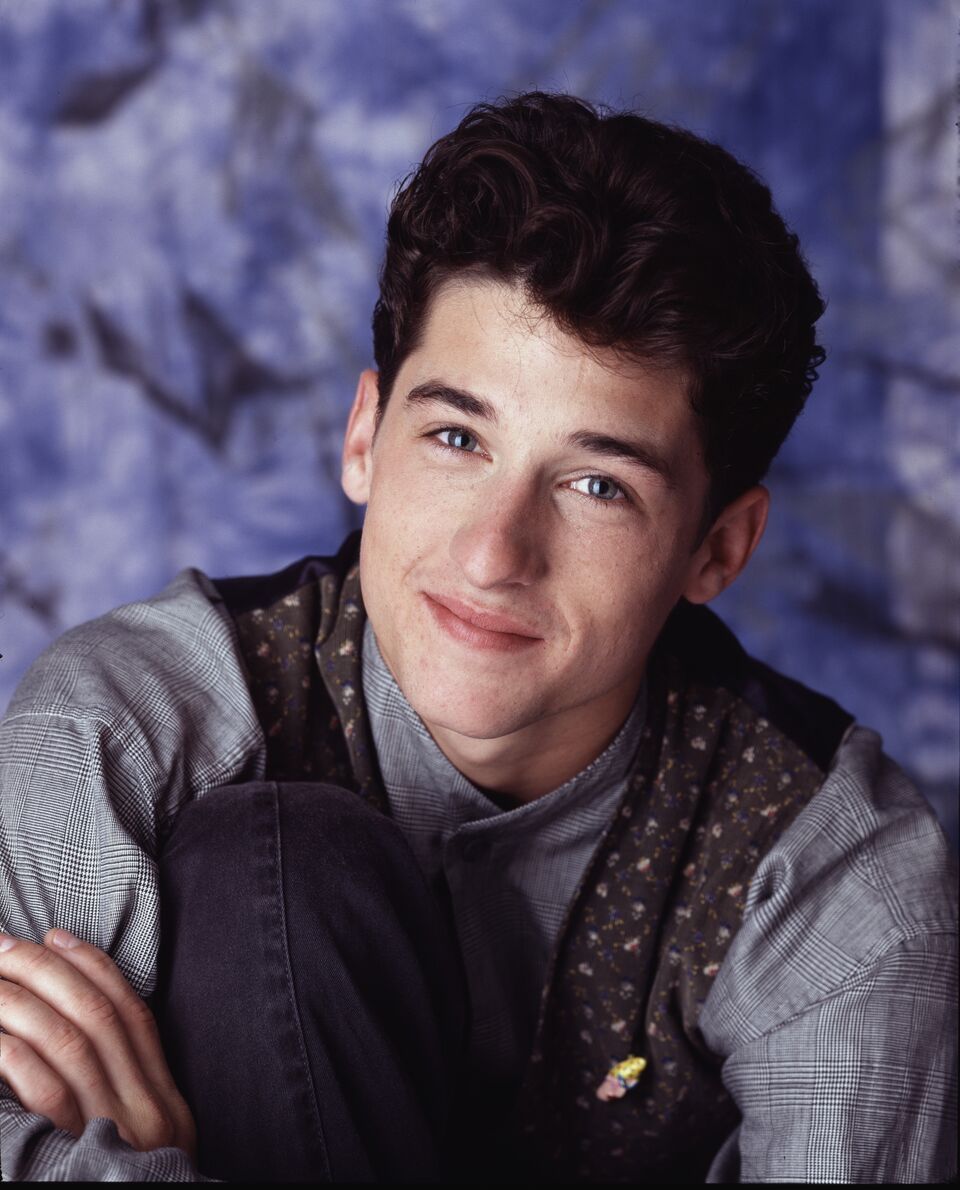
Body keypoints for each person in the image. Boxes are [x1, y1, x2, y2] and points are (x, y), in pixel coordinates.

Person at [0, 92, 955, 1183]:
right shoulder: (122, 733)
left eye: (598, 484)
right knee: (270, 865)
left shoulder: (827, 877)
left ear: (718, 548)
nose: (497, 552)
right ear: (365, 436)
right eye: (457, 436)